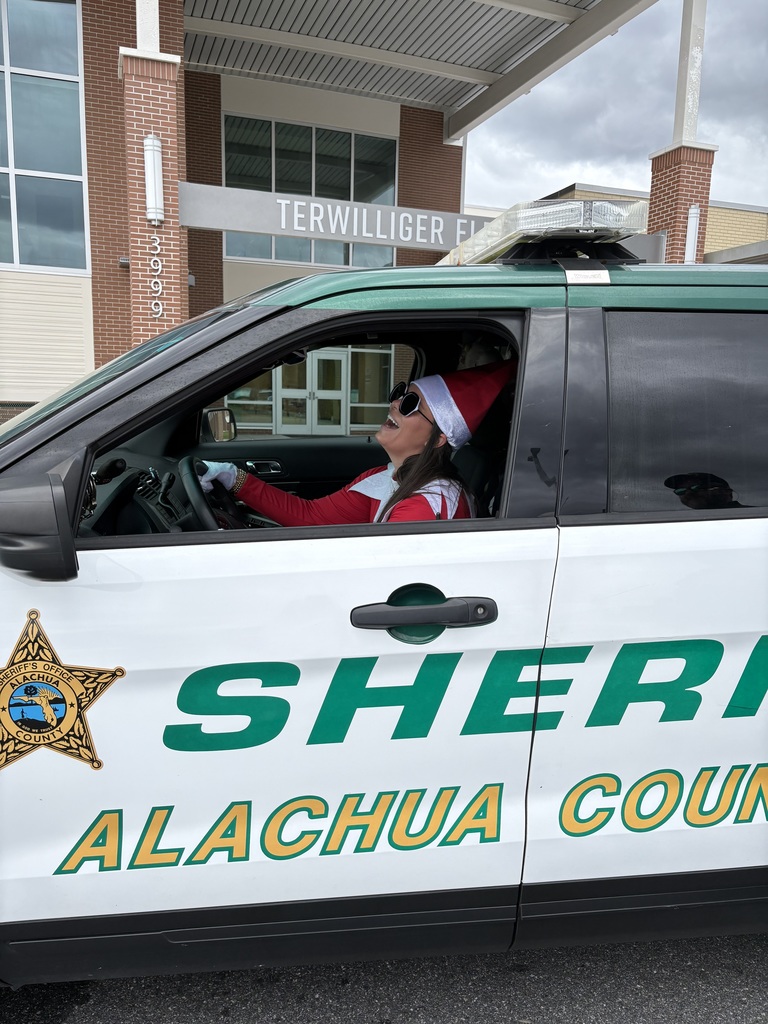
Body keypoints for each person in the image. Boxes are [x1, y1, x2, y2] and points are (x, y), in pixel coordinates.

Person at [201, 359, 515, 525]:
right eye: (400, 394)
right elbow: (311, 517)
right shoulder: (387, 477)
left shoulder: (425, 506)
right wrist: (232, 477)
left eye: (410, 404)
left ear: (438, 439)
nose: (395, 403)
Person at [664, 472, 747, 510]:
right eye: (681, 490)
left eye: (695, 487)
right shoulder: (682, 524)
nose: (688, 493)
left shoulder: (750, 517)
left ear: (725, 492)